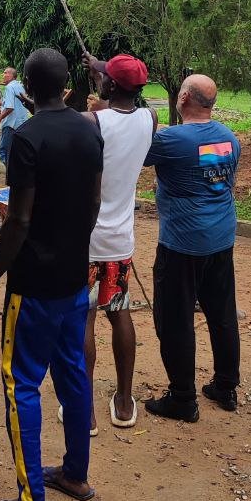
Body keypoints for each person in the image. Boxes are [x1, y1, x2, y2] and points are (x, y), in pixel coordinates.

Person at [0, 47, 103, 501]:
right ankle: (75, 474)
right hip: (74, 279)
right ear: (66, 85)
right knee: (72, 374)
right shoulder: (89, 131)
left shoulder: (26, 139)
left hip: (32, 287)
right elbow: (93, 201)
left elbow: (19, 220)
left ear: (25, 88)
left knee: (21, 384)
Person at [56, 52, 156, 433]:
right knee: (119, 311)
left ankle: (84, 410)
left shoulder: (90, 121)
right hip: (119, 242)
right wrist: (101, 68)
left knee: (84, 317)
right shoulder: (150, 119)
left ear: (110, 85)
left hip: (85, 239)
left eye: (105, 78)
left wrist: (98, 95)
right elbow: (120, 103)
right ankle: (125, 403)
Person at [143, 74, 241, 422]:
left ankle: (183, 398)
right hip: (221, 238)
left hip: (182, 243)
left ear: (183, 98)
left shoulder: (171, 139)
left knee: (175, 318)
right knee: (222, 313)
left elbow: (137, 153)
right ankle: (225, 387)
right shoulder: (229, 138)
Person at [0, 66, 29, 171]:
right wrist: (1, 102)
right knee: (16, 151)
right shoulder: (19, 85)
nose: (3, 75)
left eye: (5, 73)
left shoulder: (9, 87)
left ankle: (12, 175)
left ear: (11, 75)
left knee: (3, 151)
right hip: (22, 124)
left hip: (10, 124)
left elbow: (10, 108)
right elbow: (14, 99)